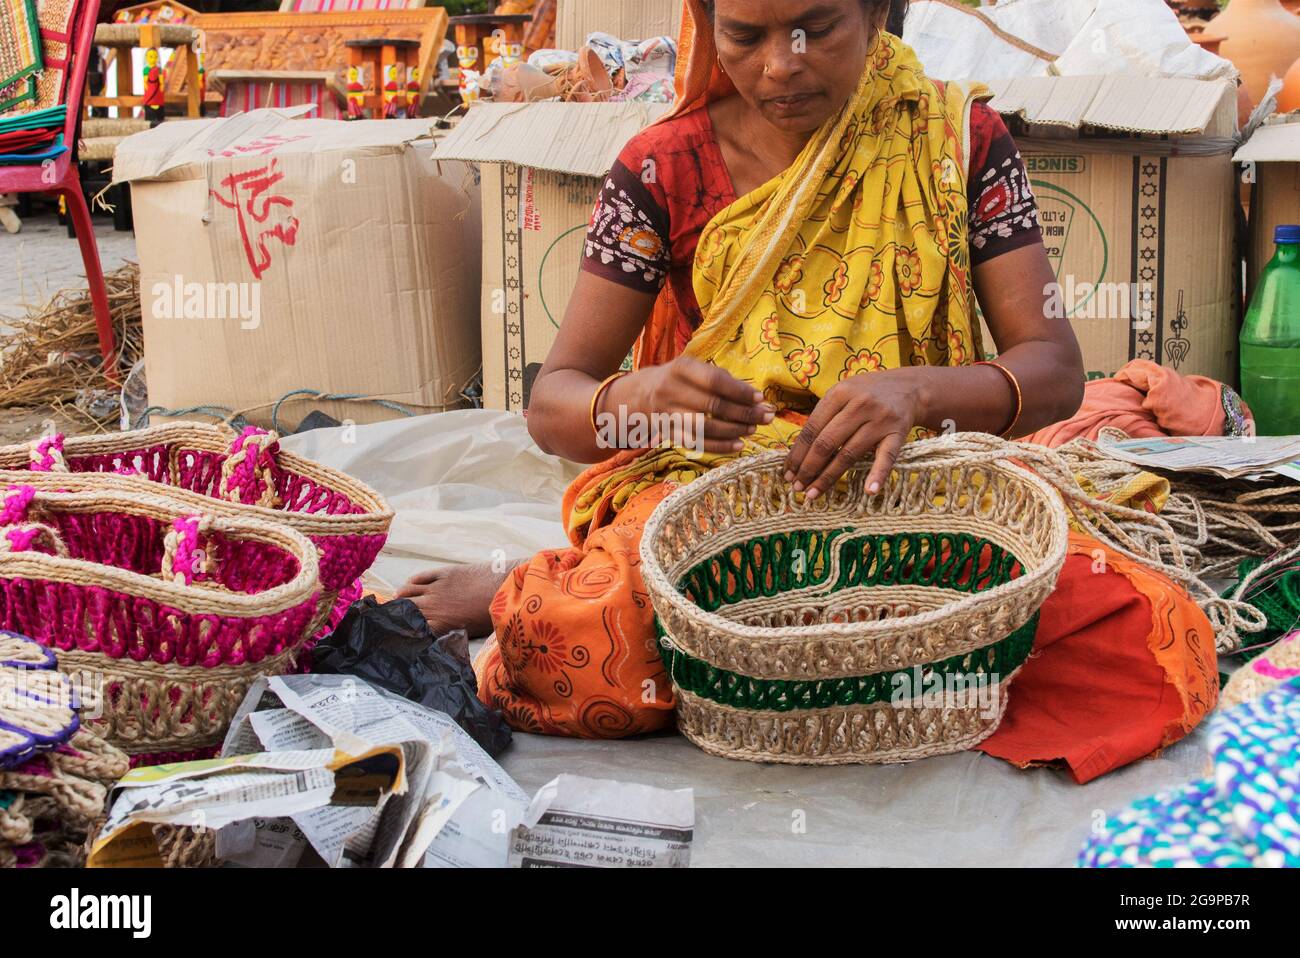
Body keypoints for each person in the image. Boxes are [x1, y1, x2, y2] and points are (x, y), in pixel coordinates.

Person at [397, 0, 1215, 755]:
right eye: (745, 36)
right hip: (717, 499)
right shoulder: (660, 168)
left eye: (816, 27)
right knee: (583, 653)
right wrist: (636, 401)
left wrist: (921, 391)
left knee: (1135, 627)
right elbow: (554, 405)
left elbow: (1055, 370)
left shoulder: (957, 140)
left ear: (875, 12)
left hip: (916, 485)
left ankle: (784, 659)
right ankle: (558, 580)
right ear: (707, 26)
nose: (781, 65)